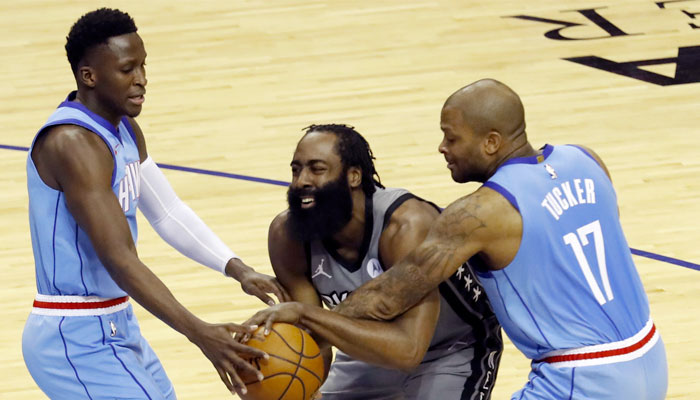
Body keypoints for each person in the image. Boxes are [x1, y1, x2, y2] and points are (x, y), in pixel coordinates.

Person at [328, 79, 669, 399]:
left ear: (491, 142)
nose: (442, 148)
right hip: (649, 353)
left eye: (452, 137)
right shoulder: (586, 159)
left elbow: (390, 296)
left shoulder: (481, 212)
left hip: (582, 376)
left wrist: (310, 320)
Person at [22, 8, 288, 399]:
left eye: (144, 66)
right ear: (89, 76)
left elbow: (167, 212)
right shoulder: (72, 144)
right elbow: (119, 258)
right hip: (75, 335)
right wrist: (199, 333)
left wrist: (238, 270)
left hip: (115, 321)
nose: (142, 80)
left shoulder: (124, 128)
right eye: (128, 69)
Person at [245, 124, 502, 399]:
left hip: (451, 349)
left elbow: (409, 351)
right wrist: (296, 386)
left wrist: (304, 314)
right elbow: (316, 340)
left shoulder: (406, 225)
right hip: (366, 349)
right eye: (296, 170)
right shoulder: (288, 237)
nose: (301, 181)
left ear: (353, 176)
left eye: (316, 169)